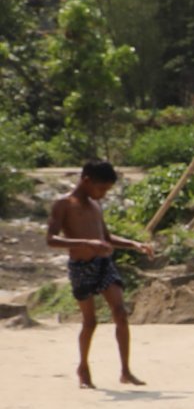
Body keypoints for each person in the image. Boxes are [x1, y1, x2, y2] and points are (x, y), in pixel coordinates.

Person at [46, 160, 152, 388]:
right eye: (101, 189)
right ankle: (83, 368)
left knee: (120, 313)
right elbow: (51, 240)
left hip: (104, 263)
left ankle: (125, 371)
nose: (103, 194)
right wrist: (86, 243)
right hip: (81, 268)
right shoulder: (64, 204)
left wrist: (134, 244)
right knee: (90, 322)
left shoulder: (95, 205)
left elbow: (107, 237)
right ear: (86, 181)